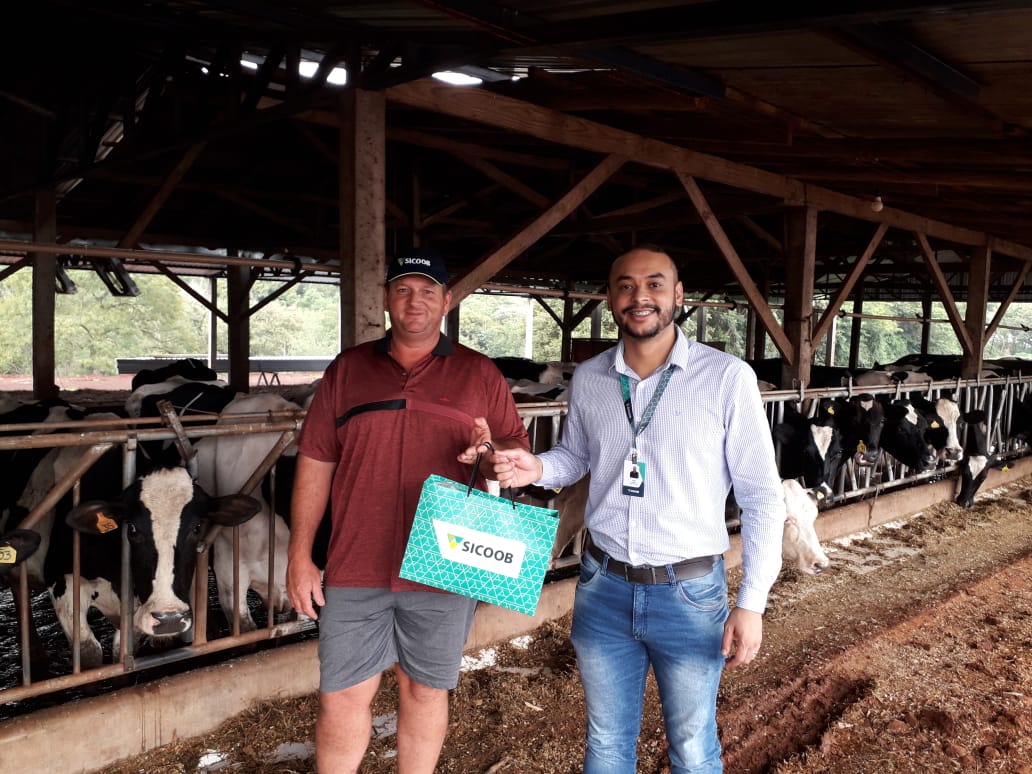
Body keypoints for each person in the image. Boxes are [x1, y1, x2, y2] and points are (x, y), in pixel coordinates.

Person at [490, 244, 786, 773]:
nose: (639, 296)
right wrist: (534, 468)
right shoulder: (590, 378)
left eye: (654, 284)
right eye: (625, 286)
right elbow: (576, 456)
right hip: (603, 586)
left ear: (678, 295)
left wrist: (752, 601)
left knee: (692, 746)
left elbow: (762, 495)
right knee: (605, 743)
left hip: (689, 593)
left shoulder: (726, 377)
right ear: (610, 299)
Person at [286, 246, 529, 774]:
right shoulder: (348, 370)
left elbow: (514, 452)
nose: (414, 301)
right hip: (355, 560)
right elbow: (316, 462)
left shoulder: (479, 373)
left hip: (445, 560)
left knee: (424, 688)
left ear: (446, 300)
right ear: (386, 299)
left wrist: (491, 454)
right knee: (343, 693)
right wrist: (301, 555)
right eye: (403, 290)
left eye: (426, 291)